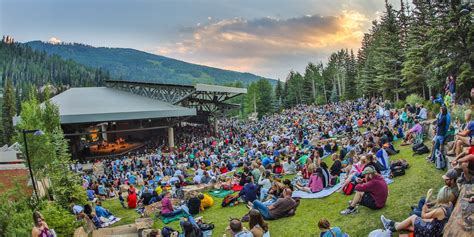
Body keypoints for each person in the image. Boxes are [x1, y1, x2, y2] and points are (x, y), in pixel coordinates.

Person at [380, 187, 453, 237]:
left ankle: (389, 229)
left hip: (431, 232)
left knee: (413, 217)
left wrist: (425, 206)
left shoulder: (440, 210)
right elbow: (436, 214)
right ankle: (391, 223)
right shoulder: (449, 204)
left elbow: (423, 215)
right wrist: (428, 210)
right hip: (436, 229)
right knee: (409, 225)